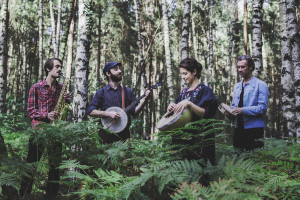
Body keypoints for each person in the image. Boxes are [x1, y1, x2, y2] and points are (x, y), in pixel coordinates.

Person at [20, 58, 71, 200]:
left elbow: (63, 108)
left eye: (61, 67)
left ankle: (51, 196)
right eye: (57, 66)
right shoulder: (36, 87)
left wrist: (67, 100)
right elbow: (31, 111)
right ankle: (24, 194)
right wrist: (46, 115)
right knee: (31, 165)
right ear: (48, 69)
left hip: (55, 132)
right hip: (39, 131)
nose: (59, 69)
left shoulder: (61, 88)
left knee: (55, 168)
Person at [167, 58, 218, 165]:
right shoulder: (184, 92)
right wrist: (172, 107)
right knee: (186, 169)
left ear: (194, 72)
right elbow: (177, 113)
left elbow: (206, 113)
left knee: (202, 170)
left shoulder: (205, 90)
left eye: (185, 73)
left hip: (202, 139)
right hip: (185, 139)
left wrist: (189, 104)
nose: (182, 77)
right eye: (181, 74)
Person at [87, 62, 150, 143]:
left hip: (124, 135)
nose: (119, 71)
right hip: (106, 135)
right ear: (108, 73)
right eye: (115, 69)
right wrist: (107, 114)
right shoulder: (101, 92)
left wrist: (145, 100)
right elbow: (90, 111)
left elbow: (135, 111)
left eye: (120, 69)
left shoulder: (127, 91)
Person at [231, 55, 268, 151]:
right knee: (238, 159)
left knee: (254, 160)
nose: (240, 70)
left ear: (250, 67)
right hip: (238, 128)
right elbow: (235, 106)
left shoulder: (261, 85)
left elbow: (262, 108)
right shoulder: (237, 86)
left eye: (242, 67)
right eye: (238, 67)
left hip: (254, 129)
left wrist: (242, 110)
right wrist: (229, 111)